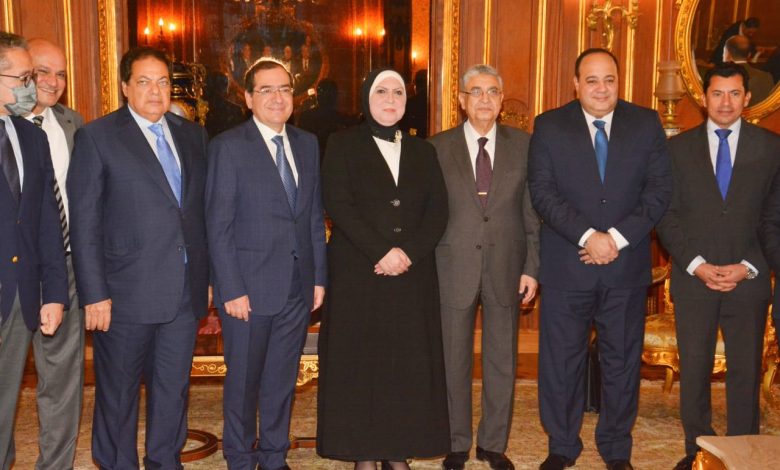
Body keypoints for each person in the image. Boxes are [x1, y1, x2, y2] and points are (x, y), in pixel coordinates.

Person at [528, 48, 671, 470]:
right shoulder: (549, 126)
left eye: (609, 79)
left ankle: (616, 448)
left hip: (625, 268)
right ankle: (561, 446)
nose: (601, 89)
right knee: (561, 363)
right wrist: (590, 237)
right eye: (592, 80)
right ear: (576, 84)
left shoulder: (646, 123)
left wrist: (617, 240)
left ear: (618, 81)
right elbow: (542, 193)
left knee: (622, 362)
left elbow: (659, 192)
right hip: (567, 265)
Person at [67, 46, 210, 469]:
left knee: (172, 390)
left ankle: (165, 461)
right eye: (144, 82)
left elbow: (199, 214)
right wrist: (95, 294)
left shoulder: (192, 135)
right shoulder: (97, 137)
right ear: (125, 87)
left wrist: (207, 279)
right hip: (123, 295)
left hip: (183, 293)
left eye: (163, 82)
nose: (155, 91)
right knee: (118, 394)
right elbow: (85, 223)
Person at [317, 68, 450, 470]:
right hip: (359, 273)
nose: (390, 99)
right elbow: (338, 203)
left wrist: (407, 253)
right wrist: (381, 251)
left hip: (411, 274)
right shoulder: (342, 144)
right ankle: (364, 452)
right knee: (360, 364)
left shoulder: (424, 150)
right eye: (381, 91)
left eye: (398, 92)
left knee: (405, 364)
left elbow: (438, 211)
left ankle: (397, 450)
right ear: (366, 98)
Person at [658, 62, 780, 470]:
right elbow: (665, 215)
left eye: (734, 93)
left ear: (747, 98)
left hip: (749, 280)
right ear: (703, 97)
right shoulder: (676, 149)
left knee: (745, 373)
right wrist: (696, 265)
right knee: (694, 371)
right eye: (717, 93)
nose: (725, 102)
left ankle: (743, 453)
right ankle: (698, 452)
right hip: (694, 279)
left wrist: (749, 266)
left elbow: (775, 218)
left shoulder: (772, 148)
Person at [206, 58, 327, 470]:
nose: (278, 98)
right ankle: (240, 458)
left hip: (297, 287)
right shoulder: (228, 147)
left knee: (281, 380)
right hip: (248, 291)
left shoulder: (306, 144)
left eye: (285, 89)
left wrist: (318, 278)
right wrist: (231, 288)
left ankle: (274, 456)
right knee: (243, 382)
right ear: (248, 98)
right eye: (267, 90)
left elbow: (312, 217)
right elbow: (218, 225)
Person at [428, 64, 539, 470]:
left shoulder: (524, 146)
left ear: (501, 99)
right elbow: (428, 214)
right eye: (476, 92)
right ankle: (456, 442)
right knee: (452, 359)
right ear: (462, 100)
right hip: (451, 266)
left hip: (507, 266)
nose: (485, 99)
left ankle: (493, 443)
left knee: (501, 359)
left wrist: (532, 267)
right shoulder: (436, 148)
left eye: (492, 91)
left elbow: (532, 213)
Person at [0, 31, 68, 470]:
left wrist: (55, 293)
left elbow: (46, 223)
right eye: (23, 78)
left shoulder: (30, 136)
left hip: (19, 299)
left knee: (4, 408)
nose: (32, 87)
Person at [24, 37, 84, 470]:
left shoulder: (72, 123)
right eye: (42, 71)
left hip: (65, 264)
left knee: (62, 379)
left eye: (61, 73)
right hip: (13, 270)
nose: (53, 81)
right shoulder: (6, 125)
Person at [297, 78, 353, 160]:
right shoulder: (341, 119)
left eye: (328, 93)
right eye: (322, 93)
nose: (325, 96)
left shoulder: (306, 117)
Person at [723, 35, 774, 103]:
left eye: (724, 52)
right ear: (749, 55)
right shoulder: (767, 77)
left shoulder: (721, 78)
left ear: (728, 54)